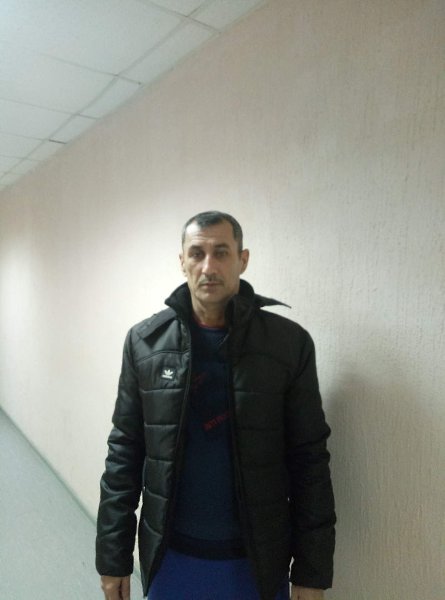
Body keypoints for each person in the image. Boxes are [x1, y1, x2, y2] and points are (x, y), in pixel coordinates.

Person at [96, 211, 336, 600]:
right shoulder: (145, 343)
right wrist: (112, 558)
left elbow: (310, 460)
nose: (208, 266)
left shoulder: (288, 345)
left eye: (221, 252)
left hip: (257, 562)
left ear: (243, 259)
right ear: (182, 262)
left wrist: (312, 572)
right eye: (197, 253)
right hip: (171, 558)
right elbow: (124, 454)